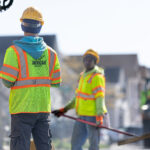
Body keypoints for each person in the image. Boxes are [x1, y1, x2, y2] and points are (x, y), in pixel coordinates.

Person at [0, 6, 61, 150]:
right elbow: (56, 82)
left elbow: (7, 82)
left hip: (21, 109)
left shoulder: (13, 52)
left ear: (22, 25)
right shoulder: (51, 53)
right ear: (40, 27)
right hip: (42, 109)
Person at [52, 49, 108, 150]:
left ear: (95, 61)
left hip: (93, 116)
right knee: (75, 144)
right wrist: (64, 110)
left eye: (90, 60)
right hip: (81, 116)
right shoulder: (83, 76)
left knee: (93, 146)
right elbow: (78, 98)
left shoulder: (97, 77)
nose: (87, 61)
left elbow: (100, 97)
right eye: (85, 59)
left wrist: (99, 116)